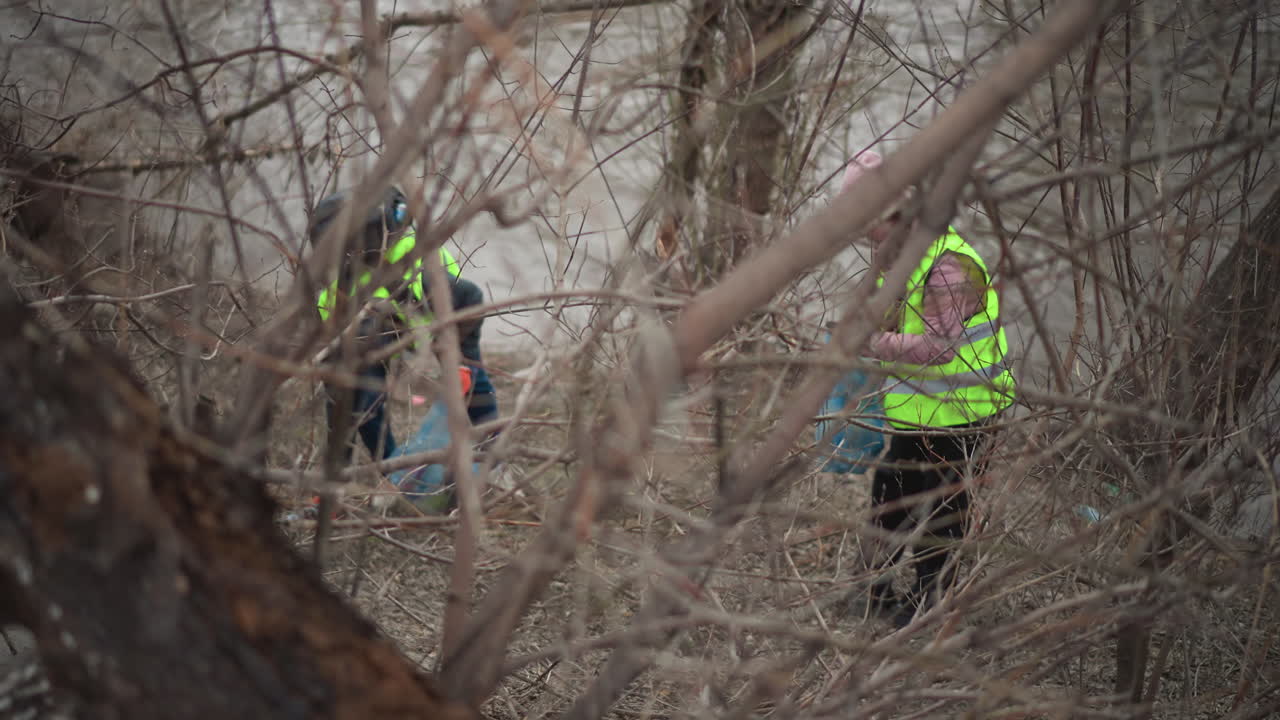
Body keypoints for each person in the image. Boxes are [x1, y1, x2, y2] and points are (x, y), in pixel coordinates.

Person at [838, 149, 1017, 627]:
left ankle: (926, 602)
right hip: (918, 413)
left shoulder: (949, 266)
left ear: (893, 215)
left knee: (944, 514)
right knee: (889, 500)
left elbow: (940, 348)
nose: (863, 236)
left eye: (867, 225)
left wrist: (871, 342)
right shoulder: (901, 255)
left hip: (963, 416)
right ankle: (872, 593)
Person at [309, 186, 500, 470]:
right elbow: (336, 399)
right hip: (378, 334)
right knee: (360, 402)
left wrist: (462, 360)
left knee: (471, 381)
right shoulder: (337, 297)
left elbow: (470, 298)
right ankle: (394, 473)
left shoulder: (416, 269)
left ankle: (494, 455)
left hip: (436, 322)